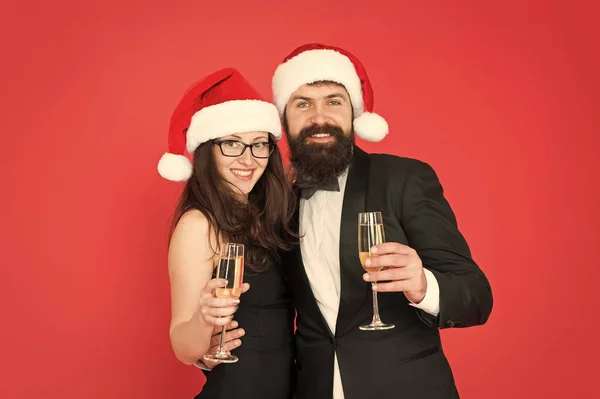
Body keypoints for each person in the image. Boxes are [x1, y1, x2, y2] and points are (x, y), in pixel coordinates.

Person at [269, 43, 494, 398]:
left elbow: (476, 296)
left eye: (333, 101)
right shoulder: (277, 200)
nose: (319, 117)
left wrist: (424, 286)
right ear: (284, 119)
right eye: (302, 104)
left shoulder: (403, 178)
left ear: (354, 113)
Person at [157, 67, 297, 398]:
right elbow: (183, 346)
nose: (248, 159)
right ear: (208, 150)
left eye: (259, 144)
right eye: (232, 144)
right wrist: (205, 319)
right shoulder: (199, 224)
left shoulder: (272, 216)